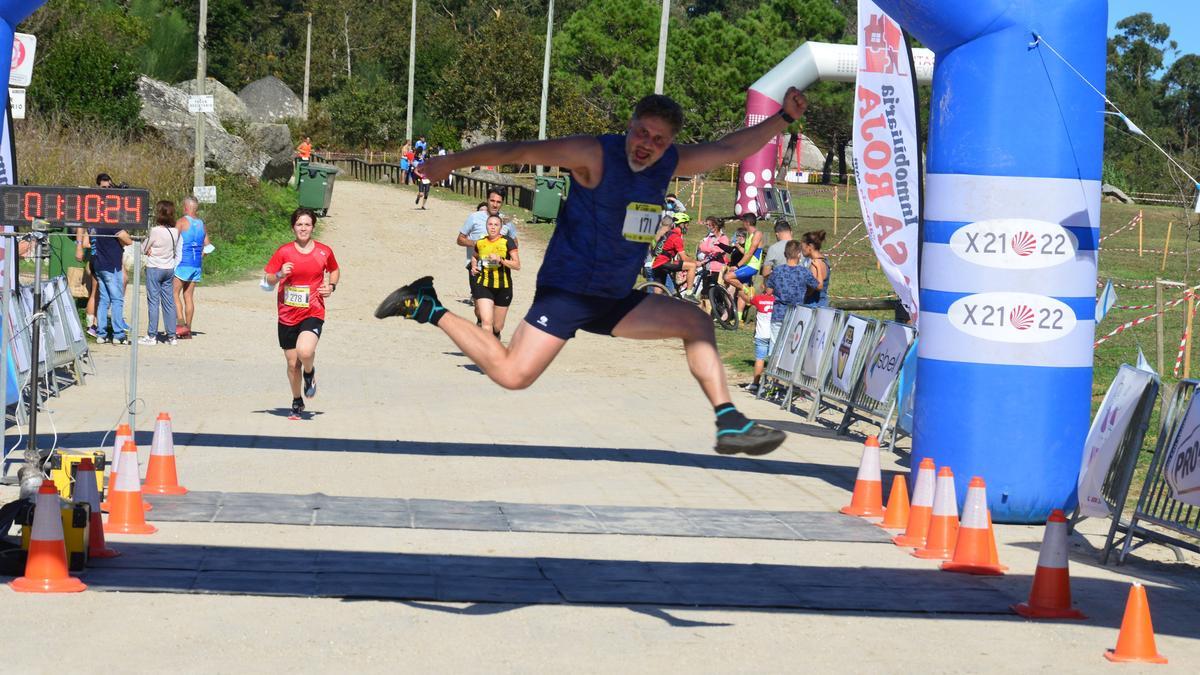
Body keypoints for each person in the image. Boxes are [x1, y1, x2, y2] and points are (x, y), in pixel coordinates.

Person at [378, 89, 809, 456]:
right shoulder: (593, 153)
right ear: (630, 123)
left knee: (695, 321)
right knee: (512, 375)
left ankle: (728, 421)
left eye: (658, 140)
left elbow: (729, 149)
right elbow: (518, 151)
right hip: (568, 290)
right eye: (641, 132)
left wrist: (783, 118)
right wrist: (450, 160)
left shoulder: (668, 163)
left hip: (614, 296)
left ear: (670, 143)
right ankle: (428, 305)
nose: (646, 145)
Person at [263, 208, 340, 417]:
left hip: (313, 311)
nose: (303, 228)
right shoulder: (284, 252)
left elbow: (334, 270)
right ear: (293, 227)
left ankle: (310, 372)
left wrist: (331, 286)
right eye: (299, 224)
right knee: (291, 364)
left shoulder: (324, 251)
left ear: (313, 227)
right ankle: (297, 400)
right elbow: (267, 280)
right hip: (287, 315)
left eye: (307, 224)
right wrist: (279, 274)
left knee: (305, 352)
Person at [458, 188, 517, 321]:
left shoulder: (506, 221)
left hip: (498, 269)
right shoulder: (474, 217)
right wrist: (478, 244)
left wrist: (504, 254)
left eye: (498, 202)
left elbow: (515, 243)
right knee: (480, 309)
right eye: (492, 201)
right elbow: (460, 239)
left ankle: (492, 333)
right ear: (487, 200)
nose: (495, 205)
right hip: (477, 268)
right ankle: (482, 324)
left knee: (495, 312)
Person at [82, 210, 134, 345]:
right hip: (110, 266)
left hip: (98, 265)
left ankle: (101, 333)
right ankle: (118, 334)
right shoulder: (112, 225)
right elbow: (128, 240)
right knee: (117, 299)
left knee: (104, 299)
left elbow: (86, 243)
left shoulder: (93, 225)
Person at [471, 214, 521, 339]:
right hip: (484, 285)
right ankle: (487, 352)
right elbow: (474, 256)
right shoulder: (480, 242)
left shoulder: (507, 241)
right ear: (486, 226)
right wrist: (473, 266)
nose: (493, 227)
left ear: (501, 227)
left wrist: (501, 260)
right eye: (490, 224)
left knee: (497, 326)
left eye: (496, 225)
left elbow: (517, 265)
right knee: (486, 322)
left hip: (503, 287)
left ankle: (496, 334)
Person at [140, 200, 180, 345]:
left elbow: (143, 248)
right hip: (169, 269)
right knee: (169, 302)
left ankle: (152, 336)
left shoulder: (155, 230)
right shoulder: (175, 231)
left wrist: (149, 249)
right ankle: (172, 336)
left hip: (155, 268)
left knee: (153, 302)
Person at [174, 196, 210, 338]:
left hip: (182, 264)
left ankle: (181, 324)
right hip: (196, 265)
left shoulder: (181, 222)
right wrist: (201, 255)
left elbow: (172, 240)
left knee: (173, 293)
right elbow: (209, 246)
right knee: (188, 296)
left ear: (186, 208)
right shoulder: (201, 224)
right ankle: (188, 328)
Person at [723, 212, 765, 315]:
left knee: (727, 277)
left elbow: (750, 253)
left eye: (743, 222)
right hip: (747, 265)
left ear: (747, 223)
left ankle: (749, 292)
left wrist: (737, 266)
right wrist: (737, 246)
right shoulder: (749, 235)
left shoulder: (757, 234)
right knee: (741, 292)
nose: (742, 225)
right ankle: (739, 317)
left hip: (752, 266)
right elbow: (746, 252)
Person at [767, 240, 819, 320]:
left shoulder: (777, 270)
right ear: (799, 255)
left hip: (778, 314)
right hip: (796, 316)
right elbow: (816, 285)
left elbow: (769, 292)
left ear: (785, 254)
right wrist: (818, 268)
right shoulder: (804, 271)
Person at [649, 212, 697, 296]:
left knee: (657, 293)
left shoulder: (668, 234)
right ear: (682, 224)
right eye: (687, 224)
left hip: (656, 263)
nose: (688, 227)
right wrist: (695, 262)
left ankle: (652, 306)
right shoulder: (676, 237)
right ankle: (689, 293)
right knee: (692, 266)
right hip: (664, 263)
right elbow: (683, 258)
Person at [745, 285, 775, 395]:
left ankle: (755, 383)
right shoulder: (777, 300)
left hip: (762, 334)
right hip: (775, 334)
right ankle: (773, 384)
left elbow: (748, 299)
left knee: (760, 359)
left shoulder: (759, 298)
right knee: (774, 360)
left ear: (764, 286)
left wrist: (743, 290)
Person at [801, 230, 830, 307]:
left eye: (802, 246)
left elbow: (812, 288)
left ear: (809, 247)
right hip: (823, 303)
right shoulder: (825, 260)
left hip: (813, 305)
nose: (802, 249)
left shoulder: (814, 264)